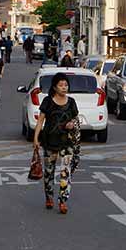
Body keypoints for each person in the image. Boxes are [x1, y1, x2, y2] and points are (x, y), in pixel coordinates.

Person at [31, 73, 82, 214]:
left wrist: (72, 123)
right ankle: (49, 197)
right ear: (54, 87)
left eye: (66, 85)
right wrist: (36, 139)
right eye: (61, 85)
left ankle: (62, 201)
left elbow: (76, 119)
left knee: (66, 171)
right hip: (49, 141)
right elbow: (40, 121)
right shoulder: (47, 101)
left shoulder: (71, 102)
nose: (64, 87)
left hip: (67, 142)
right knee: (49, 172)